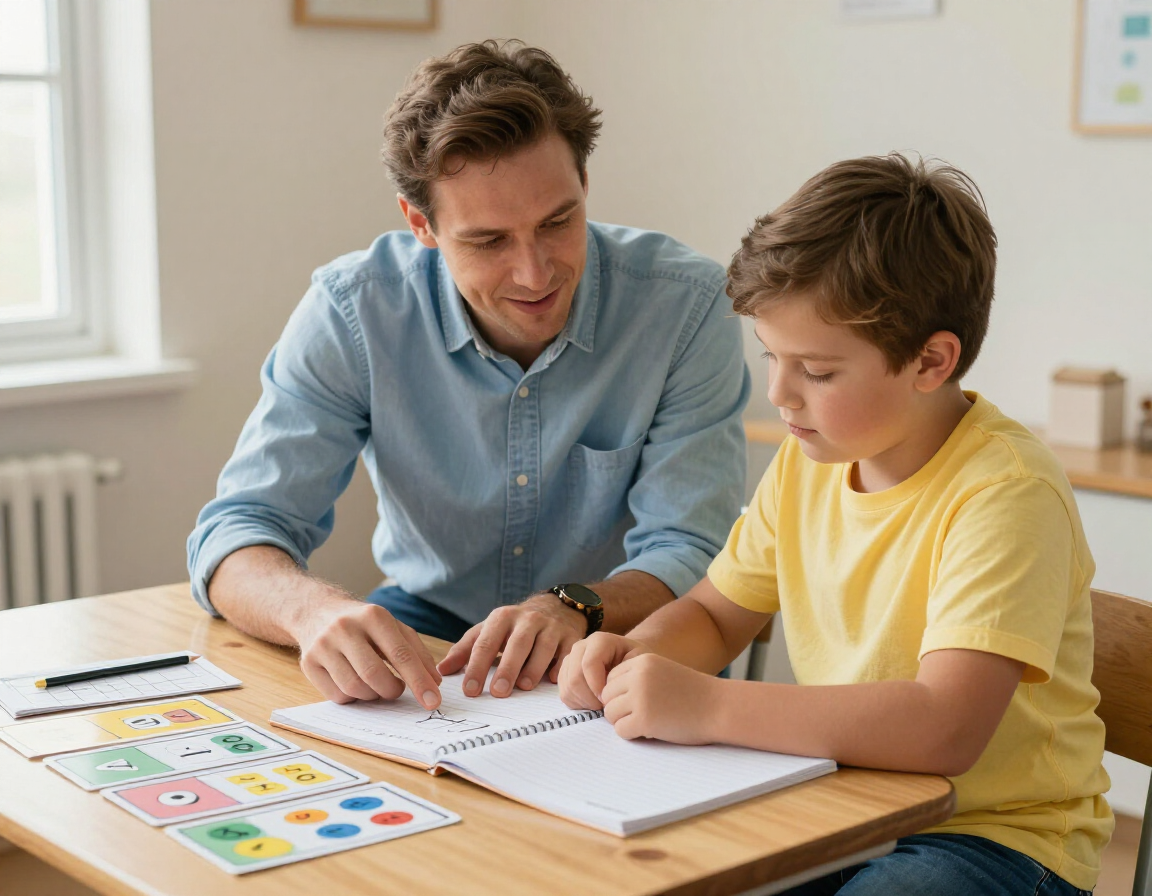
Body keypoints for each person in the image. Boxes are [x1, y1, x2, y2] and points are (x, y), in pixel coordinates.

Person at [560, 154, 1112, 895]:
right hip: (837, 804)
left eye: (816, 371)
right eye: (771, 357)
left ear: (930, 361)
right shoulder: (810, 459)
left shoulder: (1006, 492)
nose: (780, 394)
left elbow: (946, 726)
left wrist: (713, 704)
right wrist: (632, 655)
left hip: (994, 841)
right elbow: (716, 614)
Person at [186, 40, 749, 713]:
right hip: (425, 626)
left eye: (558, 221)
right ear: (420, 224)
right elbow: (238, 531)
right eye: (488, 241)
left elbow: (689, 548)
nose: (535, 272)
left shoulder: (685, 306)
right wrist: (312, 610)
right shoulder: (353, 310)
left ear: (585, 186)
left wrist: (572, 607)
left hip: (612, 633)